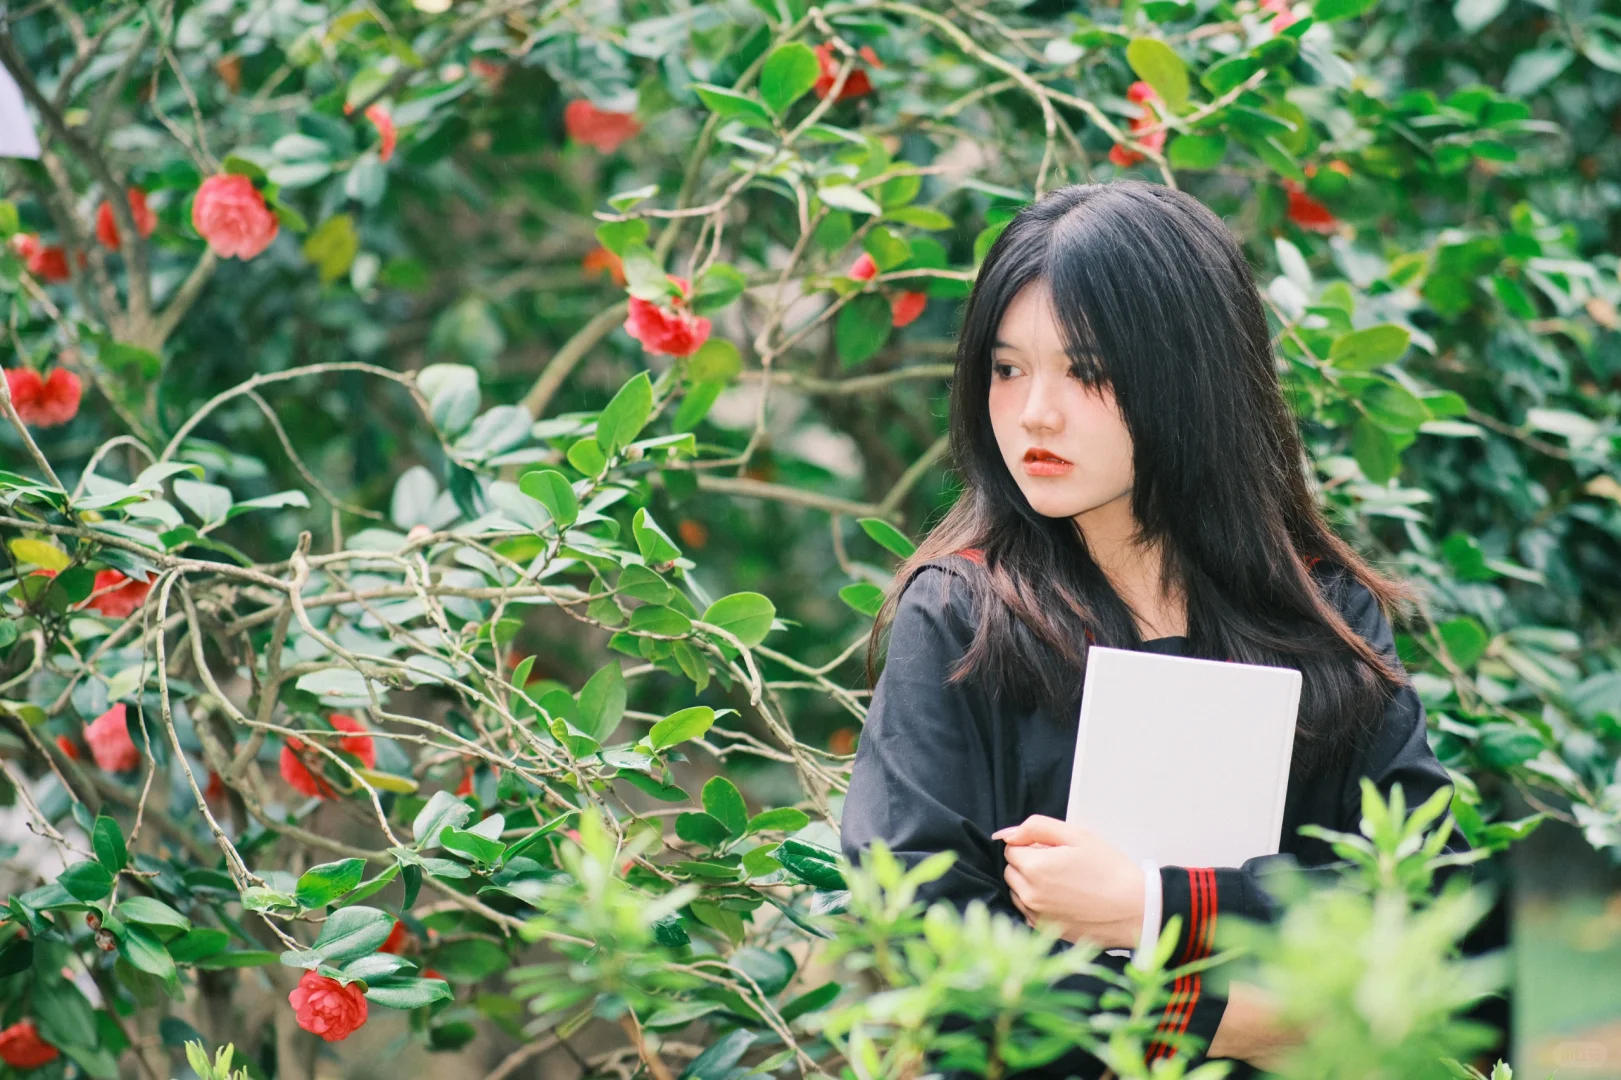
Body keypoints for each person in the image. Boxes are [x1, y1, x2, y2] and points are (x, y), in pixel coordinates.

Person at [837, 180, 1468, 1077]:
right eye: (1007, 368)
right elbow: (930, 955)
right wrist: (1259, 1016)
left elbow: (1425, 899)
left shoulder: (1320, 610)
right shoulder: (962, 616)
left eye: (1086, 371)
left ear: (1190, 378)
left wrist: (1152, 904)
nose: (1034, 414)